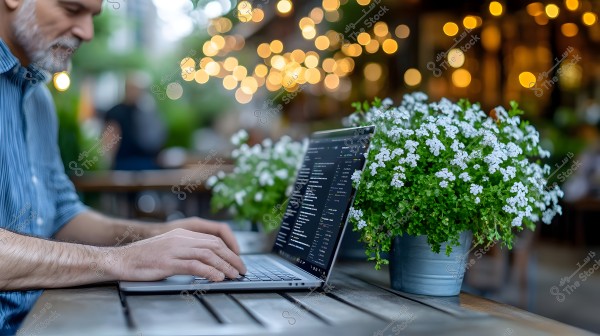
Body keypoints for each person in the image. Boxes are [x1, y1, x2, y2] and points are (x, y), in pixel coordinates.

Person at [0, 0, 246, 333]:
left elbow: (62, 215)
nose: (86, 32)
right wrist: (119, 260)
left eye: (92, 16)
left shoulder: (39, 98)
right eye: (72, 10)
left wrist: (157, 236)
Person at [104, 72, 167, 170]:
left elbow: (157, 137)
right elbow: (109, 141)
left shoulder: (146, 111)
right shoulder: (116, 112)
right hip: (124, 163)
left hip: (147, 162)